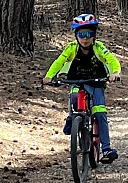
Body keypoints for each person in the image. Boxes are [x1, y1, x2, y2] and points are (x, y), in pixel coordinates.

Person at [42, 14, 121, 164]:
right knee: (74, 96)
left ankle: (106, 148)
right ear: (76, 35)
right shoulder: (71, 48)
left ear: (94, 35)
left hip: (96, 82)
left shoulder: (99, 48)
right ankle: (72, 118)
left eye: (89, 34)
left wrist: (115, 73)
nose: (85, 39)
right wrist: (49, 76)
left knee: (100, 112)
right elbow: (59, 62)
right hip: (77, 80)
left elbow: (112, 60)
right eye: (81, 35)